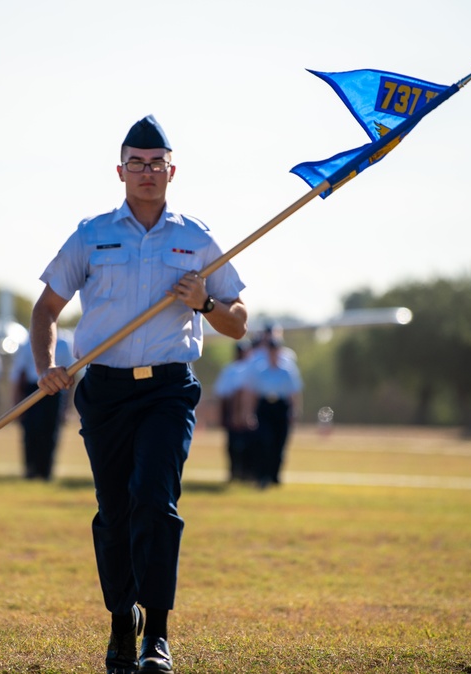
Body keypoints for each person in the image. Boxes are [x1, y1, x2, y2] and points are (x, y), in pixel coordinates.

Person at [31, 114, 248, 674]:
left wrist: (203, 302)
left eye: (156, 164)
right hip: (103, 391)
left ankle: (158, 633)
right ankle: (120, 624)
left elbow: (239, 321)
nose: (147, 173)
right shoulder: (91, 233)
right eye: (136, 163)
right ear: (120, 170)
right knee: (115, 511)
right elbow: (46, 310)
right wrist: (46, 367)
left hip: (168, 392)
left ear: (172, 170)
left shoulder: (195, 238)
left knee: (154, 500)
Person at [10, 329, 74, 480]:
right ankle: (30, 470)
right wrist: (16, 402)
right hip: (34, 389)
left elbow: (70, 374)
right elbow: (19, 374)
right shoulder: (27, 343)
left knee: (50, 432)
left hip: (56, 390)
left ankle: (46, 471)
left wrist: (67, 406)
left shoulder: (64, 344)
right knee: (31, 431)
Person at [244, 337, 302, 489]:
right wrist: (250, 413)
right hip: (265, 407)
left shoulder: (287, 371)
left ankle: (275, 476)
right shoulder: (260, 371)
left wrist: (294, 411)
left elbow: (293, 393)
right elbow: (254, 394)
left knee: (279, 442)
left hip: (280, 408)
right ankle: (262, 475)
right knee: (264, 441)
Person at [212, 340, 254, 481]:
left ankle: (244, 472)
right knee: (235, 444)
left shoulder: (247, 368)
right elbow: (224, 393)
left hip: (247, 408)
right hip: (234, 409)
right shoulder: (232, 369)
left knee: (245, 444)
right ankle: (236, 472)